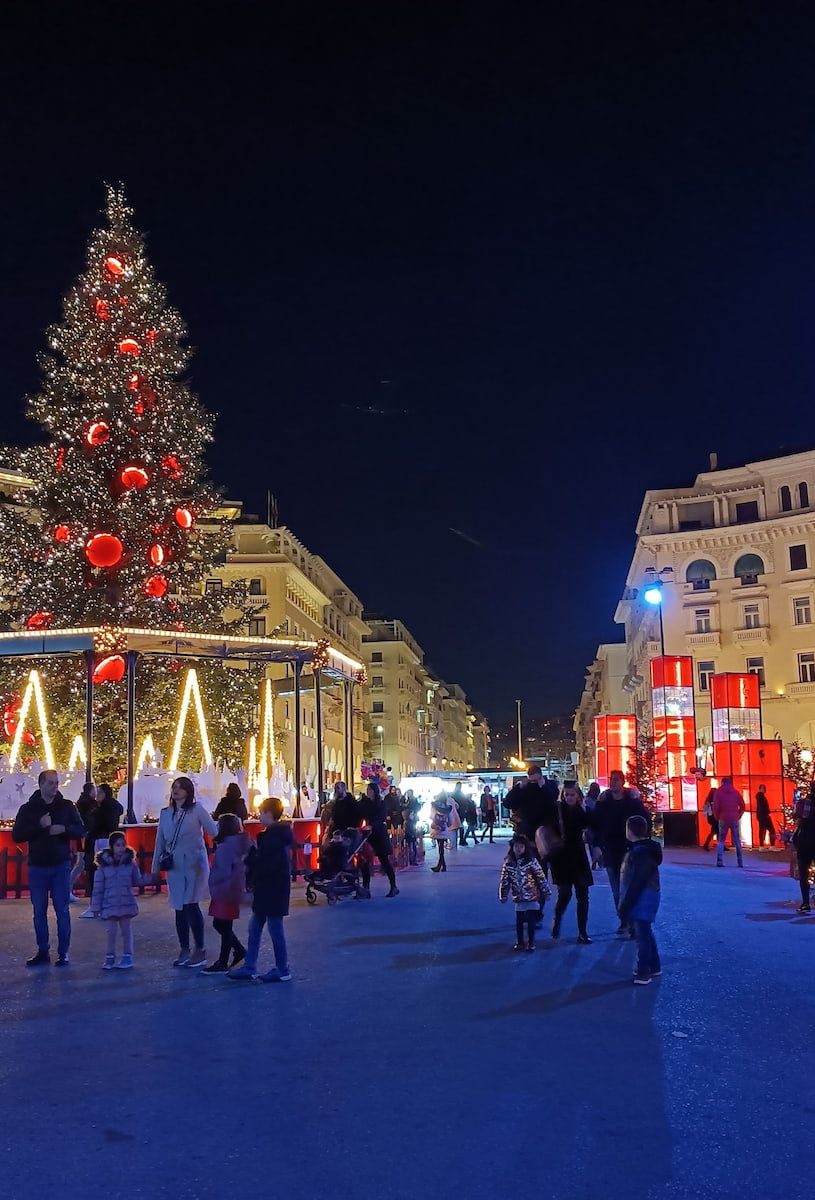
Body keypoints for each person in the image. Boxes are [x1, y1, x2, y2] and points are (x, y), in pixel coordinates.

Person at [12, 769, 85, 967]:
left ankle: (64, 953)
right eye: (51, 783)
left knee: (62, 910)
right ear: (41, 784)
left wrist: (65, 830)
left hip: (60, 864)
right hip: (37, 865)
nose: (55, 786)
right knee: (39, 911)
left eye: (56, 782)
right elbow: (17, 835)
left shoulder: (67, 807)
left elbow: (80, 829)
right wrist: (40, 826)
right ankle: (42, 950)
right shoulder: (29, 809)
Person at [151, 776, 218, 968]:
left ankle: (200, 948)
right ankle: (184, 948)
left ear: (188, 791)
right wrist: (155, 867)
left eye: (180, 787)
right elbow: (159, 842)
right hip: (175, 866)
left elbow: (213, 830)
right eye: (174, 787)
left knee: (191, 904)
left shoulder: (196, 810)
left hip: (194, 864)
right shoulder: (165, 813)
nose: (176, 790)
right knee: (179, 907)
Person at [228, 797, 293, 982]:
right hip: (270, 889)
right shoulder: (274, 835)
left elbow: (270, 864)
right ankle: (251, 965)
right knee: (256, 926)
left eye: (262, 812)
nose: (259, 816)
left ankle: (281, 968)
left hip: (272, 889)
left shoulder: (274, 837)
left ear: (269, 814)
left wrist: (251, 861)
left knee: (273, 927)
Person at [591, 770, 650, 927]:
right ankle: (624, 921)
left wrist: (642, 841)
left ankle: (630, 921)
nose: (613, 782)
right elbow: (595, 824)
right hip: (611, 851)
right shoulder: (604, 801)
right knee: (616, 890)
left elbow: (645, 820)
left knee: (629, 887)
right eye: (612, 779)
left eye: (616, 779)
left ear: (623, 782)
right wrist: (596, 845)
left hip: (629, 851)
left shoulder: (631, 801)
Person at [618, 815, 663, 985]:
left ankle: (644, 971)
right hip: (647, 895)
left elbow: (637, 880)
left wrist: (626, 904)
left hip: (642, 896)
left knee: (642, 935)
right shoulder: (644, 849)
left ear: (629, 831)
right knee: (646, 932)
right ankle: (654, 965)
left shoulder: (639, 852)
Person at [89, 831, 143, 969]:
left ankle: (127, 956)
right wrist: (95, 908)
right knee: (111, 933)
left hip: (126, 902)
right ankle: (110, 958)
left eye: (123, 845)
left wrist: (151, 878)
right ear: (112, 846)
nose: (121, 848)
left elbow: (138, 880)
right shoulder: (103, 867)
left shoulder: (130, 864)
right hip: (110, 904)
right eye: (118, 845)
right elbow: (98, 889)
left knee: (126, 932)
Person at [549, 783, 593, 944]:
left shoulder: (583, 810)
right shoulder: (557, 809)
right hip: (561, 857)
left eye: (572, 795)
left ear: (578, 796)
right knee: (565, 894)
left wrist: (584, 808)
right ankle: (557, 918)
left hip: (578, 856)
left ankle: (582, 932)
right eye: (567, 795)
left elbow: (592, 824)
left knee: (583, 895)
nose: (569, 798)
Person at [204, 813, 248, 973]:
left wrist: (212, 881)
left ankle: (224, 961)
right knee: (223, 923)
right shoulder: (236, 845)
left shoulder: (225, 847)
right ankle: (237, 950)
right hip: (231, 888)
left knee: (223, 924)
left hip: (225, 889)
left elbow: (221, 870)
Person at [499, 834, 550, 952]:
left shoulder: (531, 861)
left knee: (531, 921)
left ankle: (531, 942)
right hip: (519, 898)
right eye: (516, 846)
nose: (519, 849)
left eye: (521, 846)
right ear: (512, 847)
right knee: (519, 921)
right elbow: (504, 880)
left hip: (532, 896)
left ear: (525, 848)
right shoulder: (508, 863)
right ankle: (520, 941)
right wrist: (503, 895)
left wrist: (546, 891)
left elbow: (540, 877)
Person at [358, 782, 399, 897]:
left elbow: (381, 817)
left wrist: (373, 825)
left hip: (379, 834)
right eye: (367, 790)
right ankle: (366, 888)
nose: (368, 792)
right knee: (365, 862)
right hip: (367, 836)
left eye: (370, 790)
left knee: (384, 861)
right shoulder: (364, 803)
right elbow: (359, 813)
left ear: (374, 791)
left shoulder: (380, 803)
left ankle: (393, 886)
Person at [70, 781, 98, 902]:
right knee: (81, 863)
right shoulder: (89, 804)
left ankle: (68, 889)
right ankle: (67, 888)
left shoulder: (82, 803)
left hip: (84, 836)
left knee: (82, 863)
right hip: (85, 837)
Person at [713, 777, 745, 867]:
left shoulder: (718, 793)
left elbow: (715, 807)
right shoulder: (736, 793)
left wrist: (717, 817)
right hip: (734, 818)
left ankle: (719, 860)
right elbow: (742, 805)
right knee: (737, 841)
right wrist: (738, 815)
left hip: (723, 818)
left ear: (722, 783)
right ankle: (740, 861)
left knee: (721, 840)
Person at [793, 782, 815, 913]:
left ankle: (805, 903)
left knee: (804, 872)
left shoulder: (805, 803)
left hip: (806, 841)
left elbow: (797, 813)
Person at [430, 794, 452, 871]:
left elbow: (432, 816)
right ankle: (442, 865)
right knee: (441, 847)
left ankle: (440, 866)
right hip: (444, 828)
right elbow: (450, 821)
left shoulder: (434, 806)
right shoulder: (448, 808)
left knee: (440, 848)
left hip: (436, 828)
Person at [402, 789, 422, 865]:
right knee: (412, 848)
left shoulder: (413, 800)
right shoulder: (409, 800)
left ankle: (413, 860)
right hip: (411, 836)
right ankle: (412, 860)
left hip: (411, 836)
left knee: (413, 848)